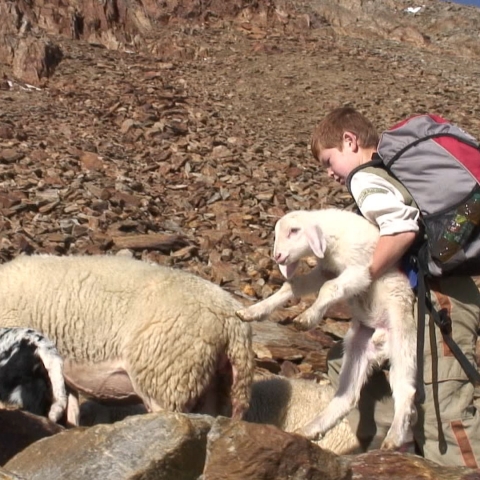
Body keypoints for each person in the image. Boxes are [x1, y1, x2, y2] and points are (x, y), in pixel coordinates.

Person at [310, 106, 480, 468]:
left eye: (328, 161)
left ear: (349, 140)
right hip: (424, 295)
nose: (328, 173)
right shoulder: (388, 178)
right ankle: (394, 464)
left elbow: (402, 231)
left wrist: (359, 277)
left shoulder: (368, 180)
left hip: (439, 297)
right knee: (351, 368)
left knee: (442, 404)